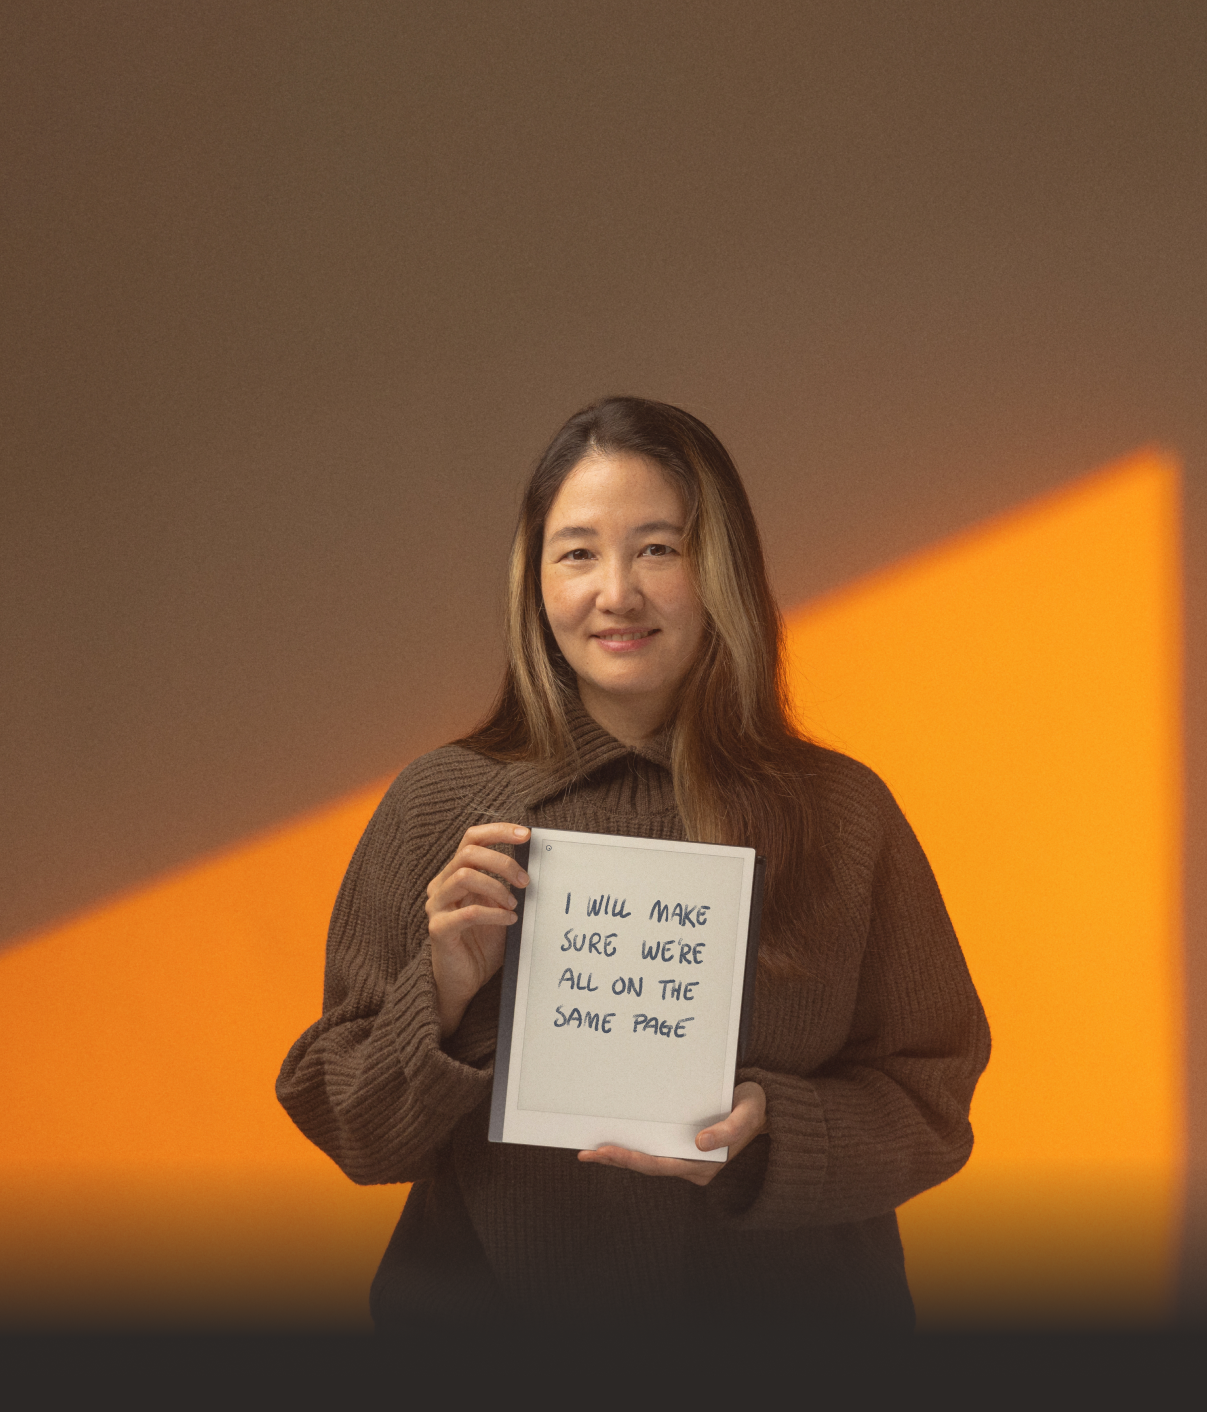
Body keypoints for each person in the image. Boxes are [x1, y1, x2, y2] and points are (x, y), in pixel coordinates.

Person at [277, 397, 990, 1322]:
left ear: (721, 570)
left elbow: (932, 1103)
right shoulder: (440, 804)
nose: (616, 593)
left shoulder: (841, 812)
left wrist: (775, 1130)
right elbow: (350, 1128)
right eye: (577, 552)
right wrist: (440, 989)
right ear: (534, 580)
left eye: (659, 548)